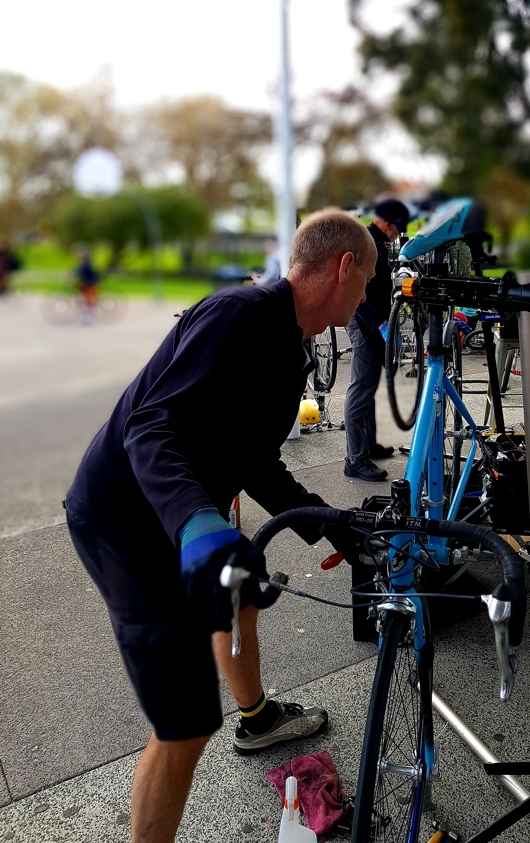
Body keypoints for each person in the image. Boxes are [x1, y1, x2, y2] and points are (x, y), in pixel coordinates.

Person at [64, 209, 376, 843]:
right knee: (184, 722)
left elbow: (257, 461)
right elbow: (148, 428)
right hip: (127, 522)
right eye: (368, 280)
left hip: (179, 518)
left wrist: (329, 524)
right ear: (344, 267)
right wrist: (200, 525)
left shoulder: (289, 349)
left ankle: (259, 717)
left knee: (239, 601)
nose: (368, 294)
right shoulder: (238, 316)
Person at [343, 198, 410, 482]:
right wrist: (378, 323)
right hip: (363, 320)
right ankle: (355, 459)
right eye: (398, 228)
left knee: (369, 384)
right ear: (388, 223)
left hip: (373, 321)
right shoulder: (366, 242)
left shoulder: (376, 242)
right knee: (361, 389)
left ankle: (368, 445)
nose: (398, 233)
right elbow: (352, 287)